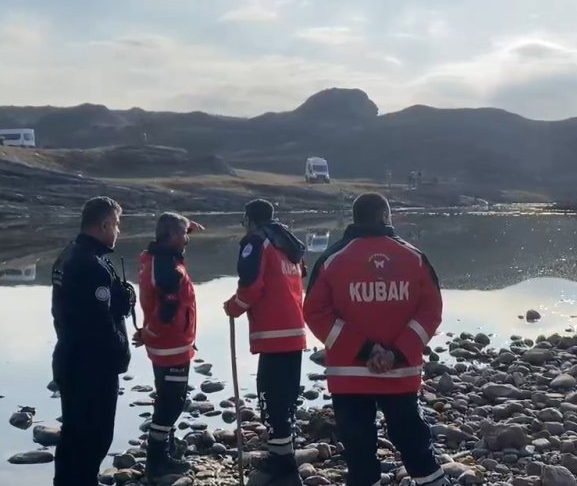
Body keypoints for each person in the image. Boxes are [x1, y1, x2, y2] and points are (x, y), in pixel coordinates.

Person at [303, 193, 447, 486]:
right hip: (400, 373)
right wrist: (396, 353)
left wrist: (365, 350)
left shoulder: (332, 259)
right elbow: (430, 313)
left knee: (358, 451)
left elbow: (315, 313)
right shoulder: (414, 258)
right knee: (414, 442)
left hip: (349, 376)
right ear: (384, 217)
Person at [50, 196, 135, 486]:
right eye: (117, 224)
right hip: (92, 367)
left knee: (74, 438)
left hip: (70, 357)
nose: (118, 231)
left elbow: (66, 311)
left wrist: (119, 300)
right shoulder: (90, 264)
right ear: (104, 225)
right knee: (93, 439)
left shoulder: (69, 255)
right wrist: (120, 351)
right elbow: (97, 323)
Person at [223, 199, 308, 486]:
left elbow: (251, 286)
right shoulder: (288, 243)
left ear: (249, 219)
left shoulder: (258, 242)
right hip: (295, 332)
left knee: (271, 401)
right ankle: (285, 456)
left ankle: (282, 464)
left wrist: (234, 307)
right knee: (286, 400)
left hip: (273, 334)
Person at [134, 212, 204, 479]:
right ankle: (157, 461)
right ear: (173, 236)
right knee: (171, 404)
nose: (187, 239)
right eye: (184, 234)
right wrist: (148, 333)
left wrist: (186, 226)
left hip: (168, 344)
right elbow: (166, 309)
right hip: (170, 345)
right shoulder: (166, 267)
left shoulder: (158, 257)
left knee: (168, 398)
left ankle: (166, 451)